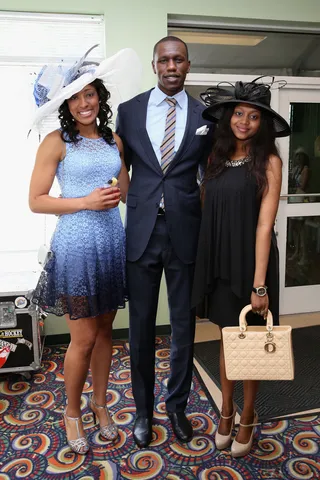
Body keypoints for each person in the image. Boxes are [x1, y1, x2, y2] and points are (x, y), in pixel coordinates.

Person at [29, 47, 141, 454]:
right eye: (75, 97)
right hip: (76, 246)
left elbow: (128, 192)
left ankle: (100, 404)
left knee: (107, 330)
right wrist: (84, 202)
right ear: (65, 104)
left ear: (100, 96)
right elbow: (36, 200)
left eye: (90, 94)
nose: (84, 103)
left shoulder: (114, 140)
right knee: (84, 337)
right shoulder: (55, 142)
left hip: (111, 242)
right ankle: (71, 413)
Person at [116, 36, 213, 448]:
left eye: (179, 60)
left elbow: (209, 171)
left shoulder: (208, 115)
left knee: (182, 327)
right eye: (165, 60)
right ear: (155, 65)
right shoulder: (129, 111)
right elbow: (120, 166)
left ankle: (176, 406)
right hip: (142, 233)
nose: (172, 66)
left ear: (188, 65)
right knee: (139, 327)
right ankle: (142, 410)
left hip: (185, 232)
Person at [192, 78, 291, 458]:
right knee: (226, 338)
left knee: (250, 344)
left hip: (253, 262)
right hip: (220, 258)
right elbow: (208, 208)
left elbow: (265, 225)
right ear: (228, 117)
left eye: (253, 116)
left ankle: (248, 415)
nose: (244, 122)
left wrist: (260, 285)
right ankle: (226, 409)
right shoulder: (216, 158)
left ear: (262, 123)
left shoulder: (269, 161)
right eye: (238, 114)